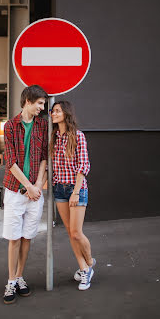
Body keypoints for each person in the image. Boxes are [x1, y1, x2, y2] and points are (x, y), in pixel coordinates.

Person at [2, 84, 48, 304]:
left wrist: (38, 184)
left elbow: (44, 157)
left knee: (27, 237)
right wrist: (28, 186)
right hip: (15, 190)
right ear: (28, 101)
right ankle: (10, 281)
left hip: (35, 192)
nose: (42, 108)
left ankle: (20, 276)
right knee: (14, 238)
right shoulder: (10, 126)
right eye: (39, 103)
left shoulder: (42, 125)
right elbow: (10, 162)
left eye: (44, 104)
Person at [50, 101, 95, 290]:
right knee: (69, 232)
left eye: (57, 111)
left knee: (77, 232)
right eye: (53, 111)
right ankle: (83, 267)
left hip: (76, 189)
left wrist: (76, 191)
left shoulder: (78, 136)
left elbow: (83, 166)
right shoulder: (53, 137)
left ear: (66, 113)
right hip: (59, 189)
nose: (53, 113)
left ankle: (90, 264)